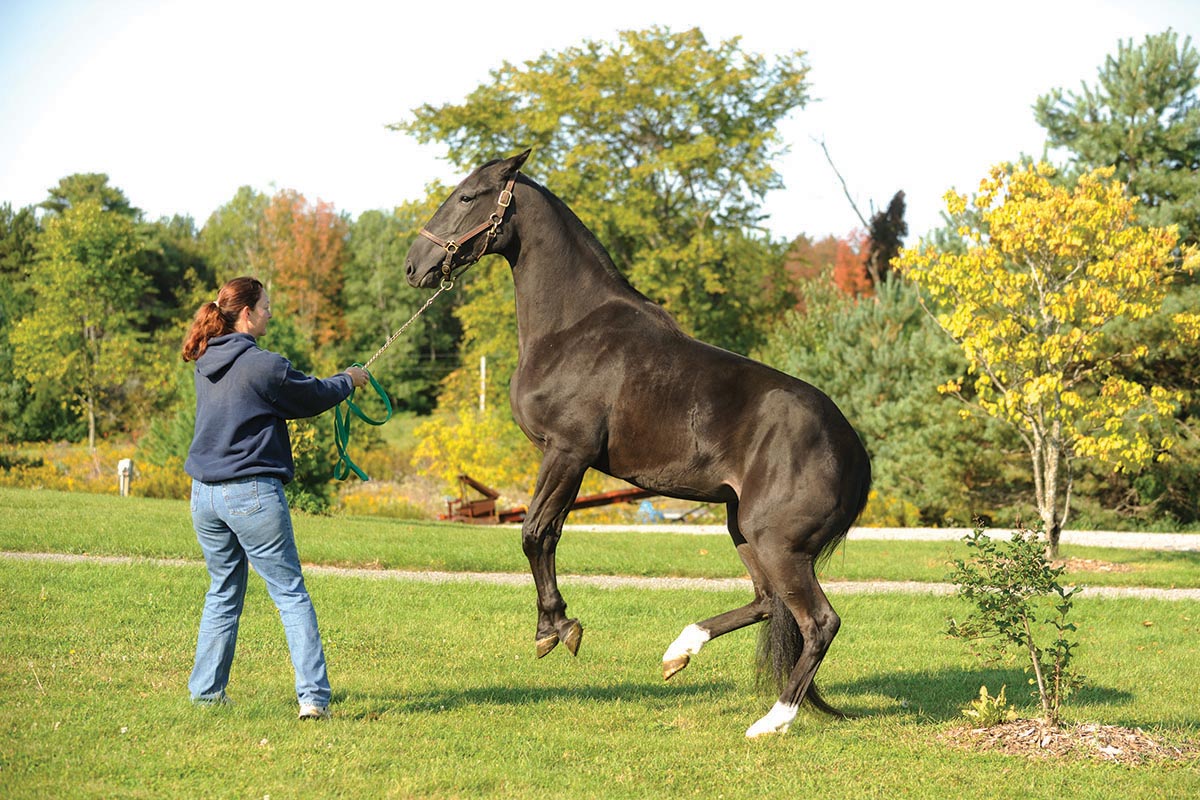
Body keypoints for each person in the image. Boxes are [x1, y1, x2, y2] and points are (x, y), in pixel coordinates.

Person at [180, 276, 369, 720]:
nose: (271, 313)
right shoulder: (264, 365)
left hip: (203, 497)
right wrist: (350, 380)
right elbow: (311, 396)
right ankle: (313, 700)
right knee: (290, 594)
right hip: (251, 494)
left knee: (222, 593)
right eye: (266, 306)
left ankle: (206, 695)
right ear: (246, 313)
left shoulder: (205, 357)